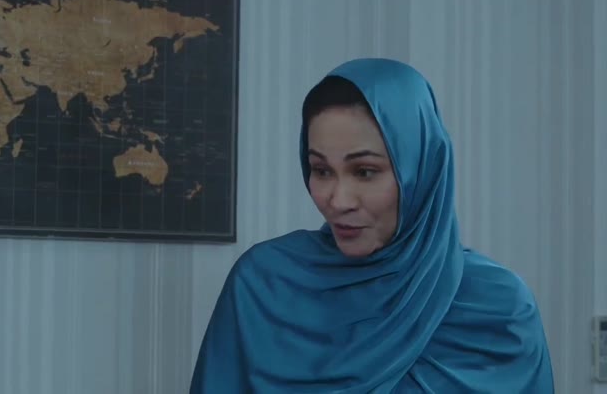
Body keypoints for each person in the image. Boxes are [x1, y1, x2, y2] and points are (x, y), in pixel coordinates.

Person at [189, 58, 554, 393]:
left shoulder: (499, 309)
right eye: (321, 170)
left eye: (365, 171)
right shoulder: (265, 286)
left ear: (423, 171)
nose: (338, 200)